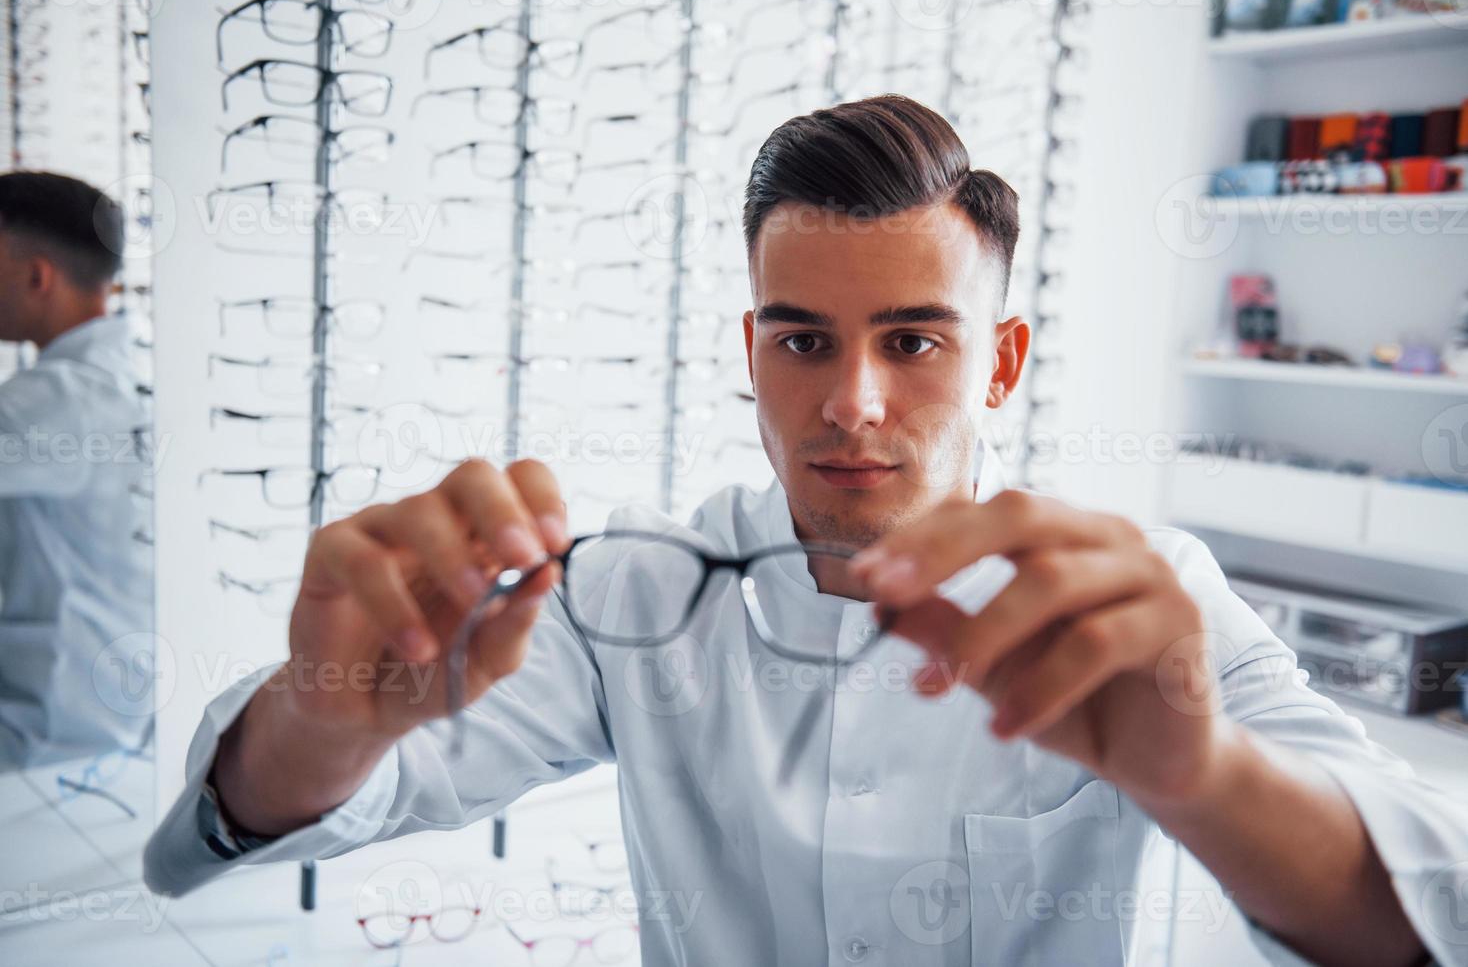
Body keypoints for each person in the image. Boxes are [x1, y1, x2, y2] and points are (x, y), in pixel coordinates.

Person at [145, 97, 1462, 966]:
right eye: (804, 340)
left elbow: (1419, 911)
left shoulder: (1149, 595)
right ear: (753, 349)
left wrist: (1204, 779)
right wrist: (332, 710)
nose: (851, 402)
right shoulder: (632, 592)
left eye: (913, 341)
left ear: (1000, 362)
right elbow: (240, 823)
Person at [0, 171, 153, 767]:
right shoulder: (130, 366)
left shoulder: (62, 399)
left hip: (50, 726)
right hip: (115, 712)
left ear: (37, 275)